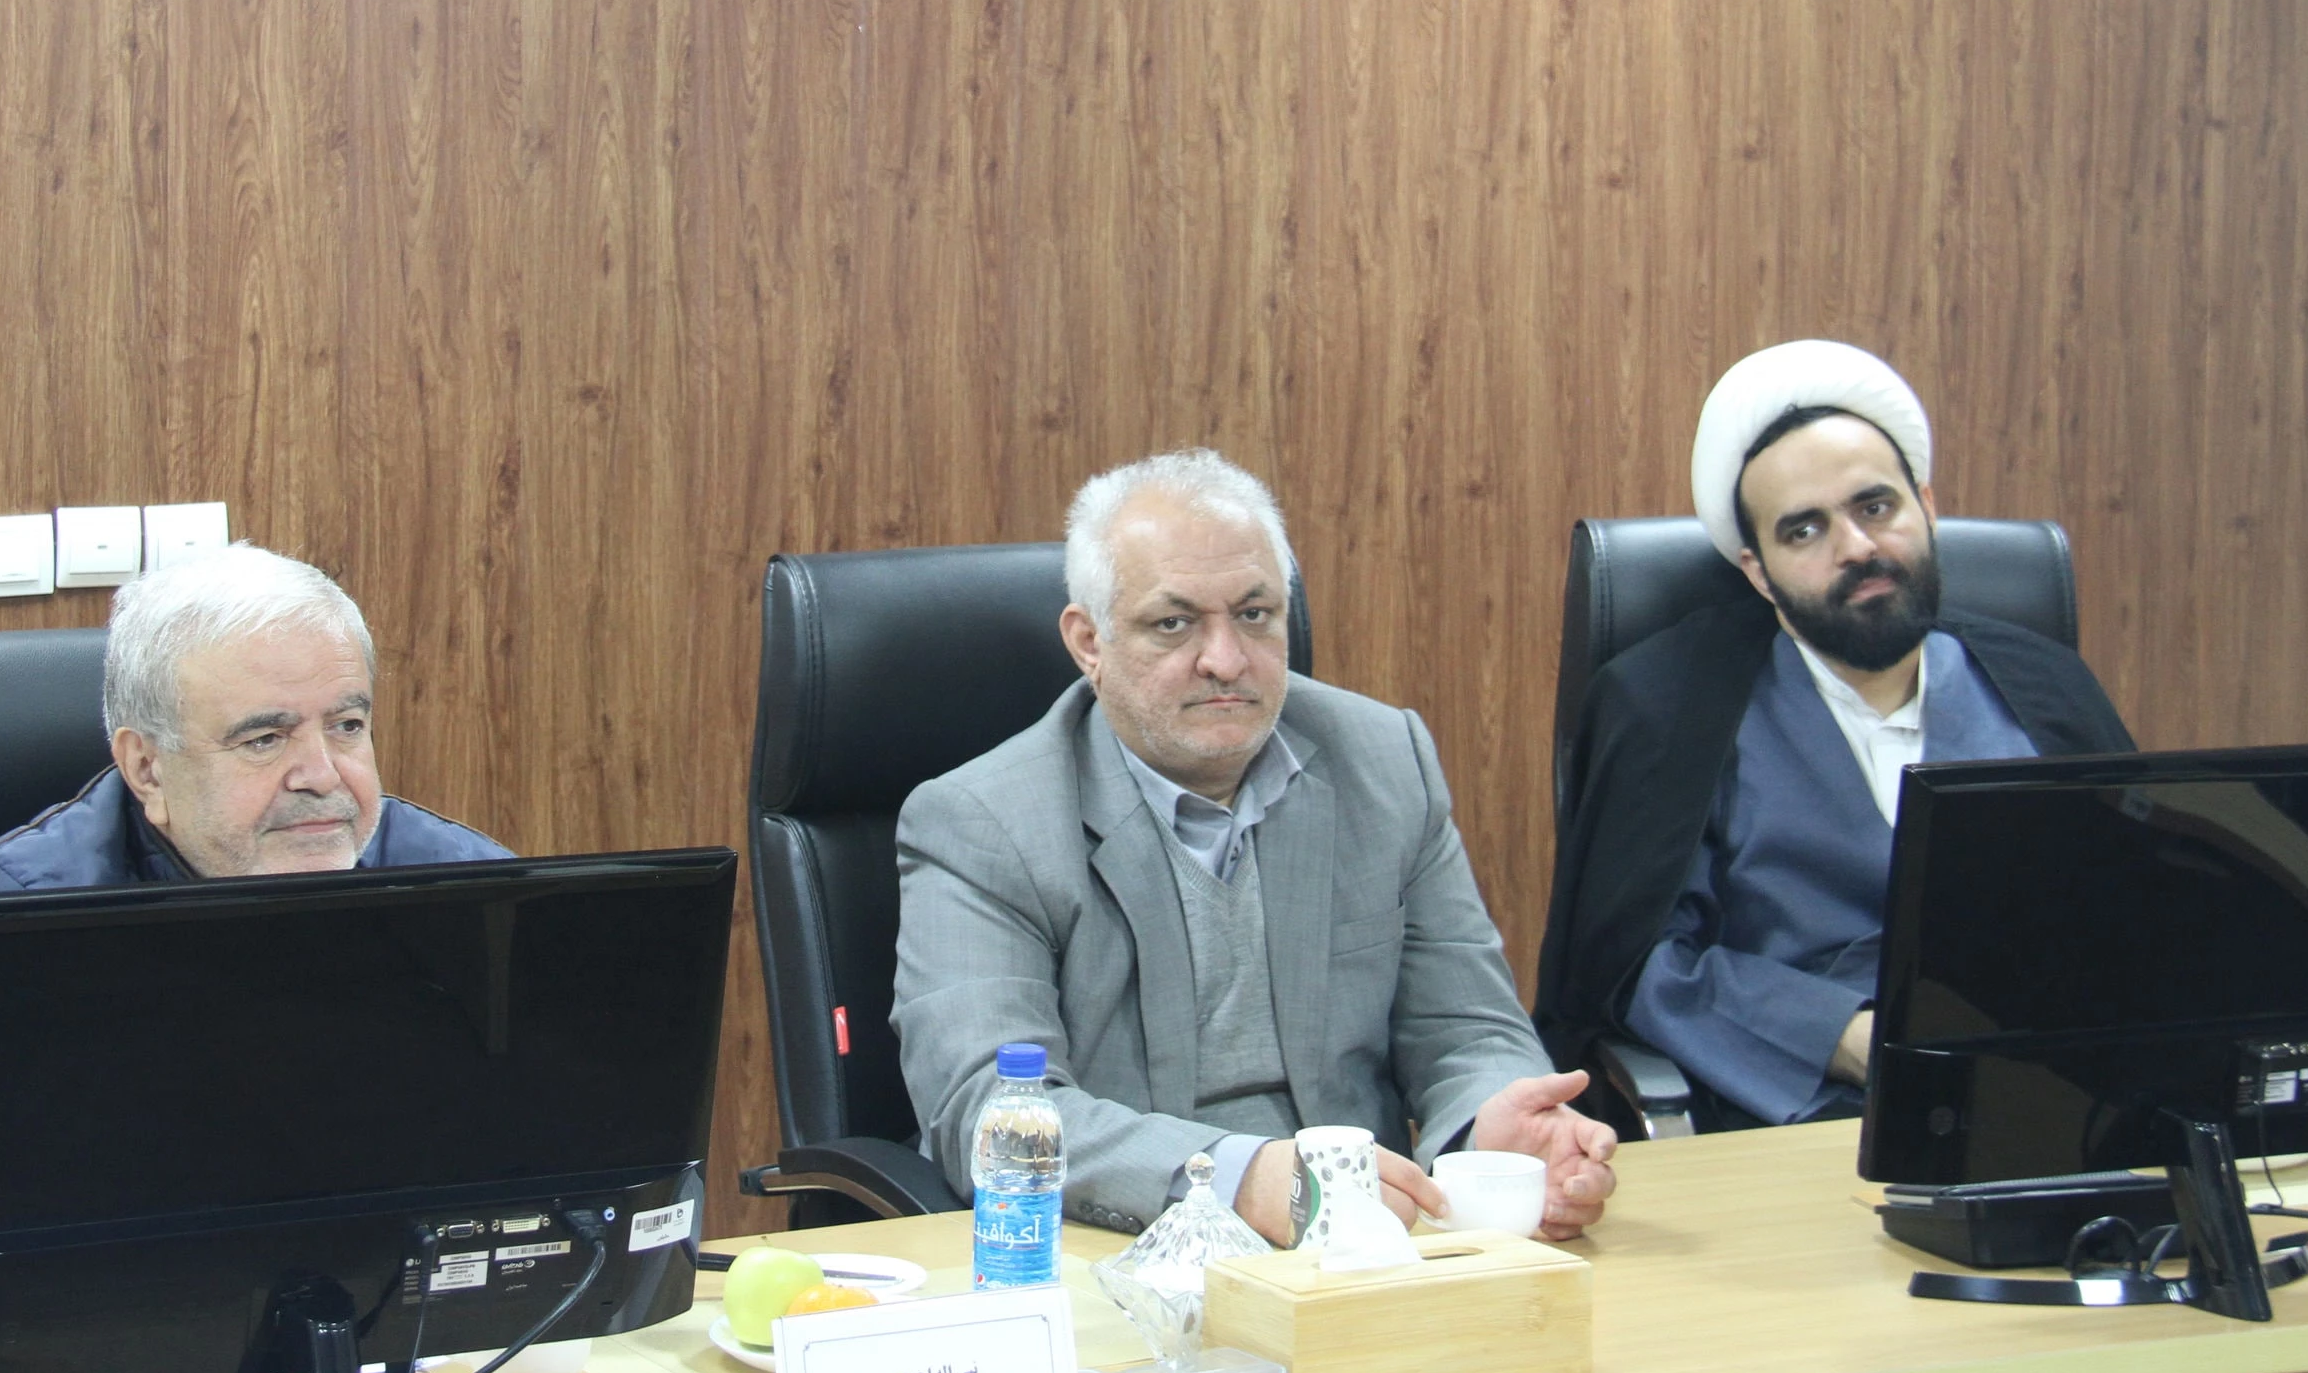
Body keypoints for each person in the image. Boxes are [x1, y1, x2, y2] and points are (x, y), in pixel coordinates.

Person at [893, 450, 1618, 1243]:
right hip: (1115, 1255)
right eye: (1173, 624)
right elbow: (991, 1115)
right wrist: (1235, 1180)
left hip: (1361, 1251)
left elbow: (1468, 1029)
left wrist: (1492, 1131)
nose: (1226, 660)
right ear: (1089, 641)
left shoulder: (1383, 762)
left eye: (1253, 614)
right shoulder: (984, 822)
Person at [1534, 340, 2133, 1129]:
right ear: (1758, 571)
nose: (1857, 547)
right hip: (1795, 1113)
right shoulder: (1670, 709)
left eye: (1876, 507)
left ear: (1927, 507)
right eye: (1804, 531)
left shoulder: (2044, 690)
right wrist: (1844, 1039)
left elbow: (2137, 918)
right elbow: (1640, 966)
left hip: (2055, 1103)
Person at [0, 541, 507, 893]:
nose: (322, 776)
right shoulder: (13, 917)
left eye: (346, 727)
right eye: (265, 738)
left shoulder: (470, 886)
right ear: (148, 769)